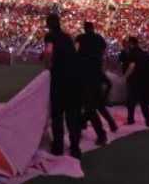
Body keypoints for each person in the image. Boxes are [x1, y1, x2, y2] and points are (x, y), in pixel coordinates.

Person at [44, 14, 83, 158]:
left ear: (48, 25)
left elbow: (48, 52)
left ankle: (58, 147)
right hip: (73, 80)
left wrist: (46, 69)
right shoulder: (67, 38)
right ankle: (75, 147)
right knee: (72, 116)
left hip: (59, 80)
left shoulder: (50, 36)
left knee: (58, 115)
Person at [75, 21, 115, 142]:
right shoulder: (99, 39)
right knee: (96, 104)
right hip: (97, 73)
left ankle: (97, 133)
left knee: (87, 106)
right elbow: (103, 51)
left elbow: (75, 52)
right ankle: (107, 126)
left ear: (84, 28)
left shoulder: (80, 38)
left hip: (85, 75)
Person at [120, 36, 149, 127]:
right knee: (144, 103)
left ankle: (130, 120)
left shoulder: (133, 53)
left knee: (131, 101)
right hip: (144, 80)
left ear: (131, 43)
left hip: (135, 80)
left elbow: (132, 65)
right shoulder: (144, 53)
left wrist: (125, 77)